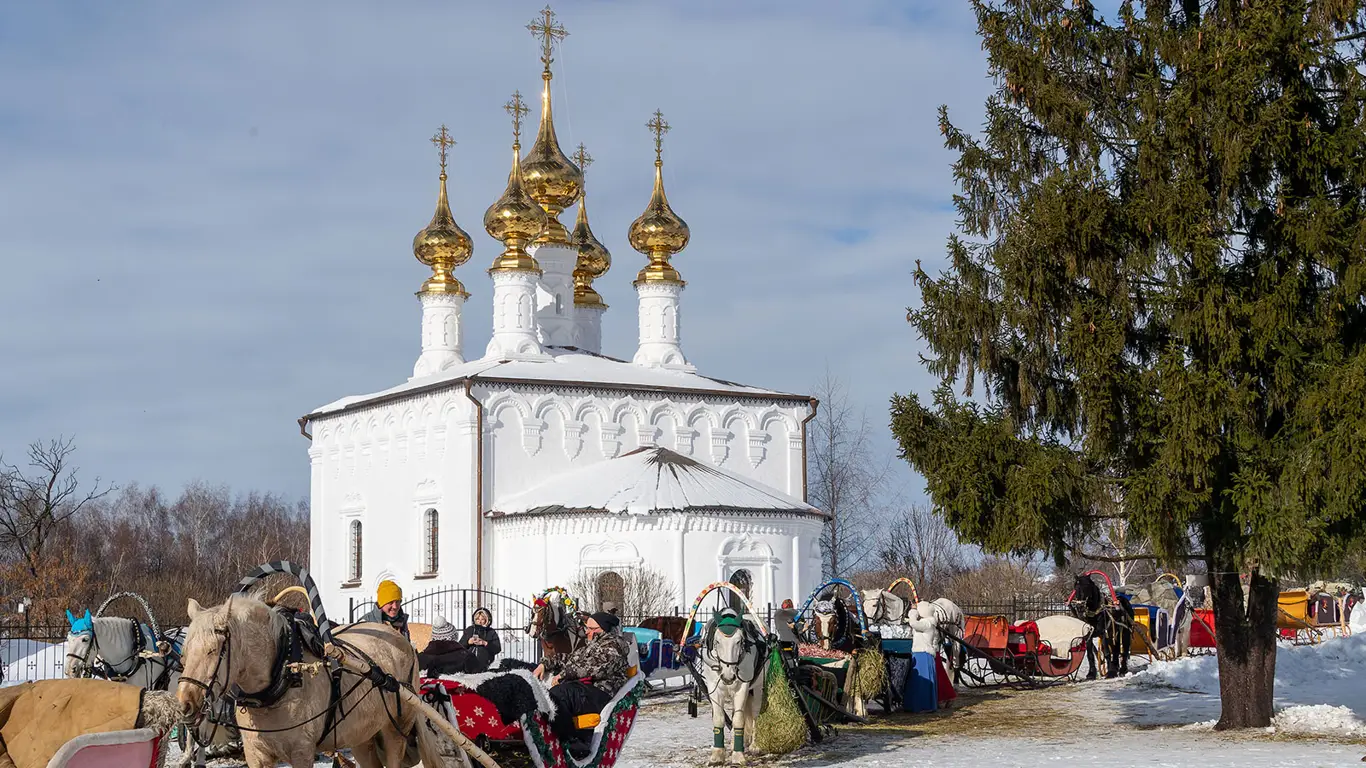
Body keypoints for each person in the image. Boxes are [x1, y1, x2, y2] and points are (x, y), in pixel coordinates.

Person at [534, 612, 630, 758]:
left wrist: (564, 674)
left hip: (599, 692)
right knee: (544, 688)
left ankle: (574, 742)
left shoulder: (614, 646)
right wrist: (545, 663)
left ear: (603, 629)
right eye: (587, 627)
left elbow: (595, 668)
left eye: (592, 628)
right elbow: (569, 658)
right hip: (584, 689)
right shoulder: (593, 645)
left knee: (558, 695)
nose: (587, 632)